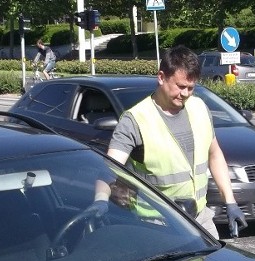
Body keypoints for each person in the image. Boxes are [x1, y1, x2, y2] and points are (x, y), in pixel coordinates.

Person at [100, 45, 246, 239]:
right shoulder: (136, 119)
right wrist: (99, 205)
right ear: (161, 77)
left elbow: (215, 154)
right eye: (180, 86)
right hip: (157, 224)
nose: (185, 94)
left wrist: (230, 202)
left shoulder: (199, 107)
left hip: (200, 218)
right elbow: (109, 170)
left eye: (191, 88)